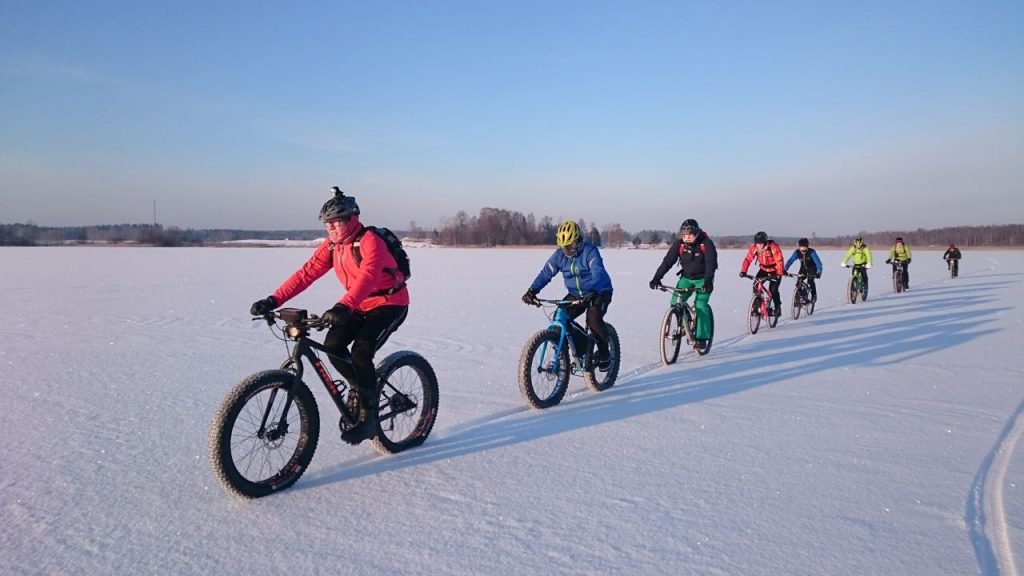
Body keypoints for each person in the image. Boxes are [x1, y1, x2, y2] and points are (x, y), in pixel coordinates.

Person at [249, 187, 409, 446]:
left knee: (361, 352)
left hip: (390, 303)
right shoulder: (332, 247)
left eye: (336, 222)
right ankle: (361, 387)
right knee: (332, 346)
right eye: (327, 224)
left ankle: (368, 419)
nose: (331, 228)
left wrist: (343, 306)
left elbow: (368, 278)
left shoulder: (370, 241)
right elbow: (306, 274)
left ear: (352, 219)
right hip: (358, 304)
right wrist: (273, 300)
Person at [522, 220, 614, 370]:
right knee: (560, 317)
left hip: (600, 291)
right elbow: (546, 273)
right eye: (563, 246)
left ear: (578, 240)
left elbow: (598, 272)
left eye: (570, 245)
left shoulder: (589, 251)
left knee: (593, 319)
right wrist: (532, 290)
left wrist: (593, 291)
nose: (567, 250)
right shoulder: (559, 256)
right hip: (576, 294)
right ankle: (570, 353)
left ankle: (605, 354)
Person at [648, 218, 718, 351]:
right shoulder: (679, 245)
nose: (687, 238)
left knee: (700, 305)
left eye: (690, 235)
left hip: (703, 279)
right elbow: (667, 262)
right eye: (684, 235)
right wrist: (657, 278)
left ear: (696, 233)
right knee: (675, 302)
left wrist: (708, 281)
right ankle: (683, 324)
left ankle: (702, 338)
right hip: (686, 278)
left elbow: (711, 263)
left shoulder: (706, 243)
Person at [739, 231, 785, 316]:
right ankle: (756, 307)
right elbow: (748, 259)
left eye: (761, 243)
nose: (759, 245)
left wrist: (779, 273)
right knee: (756, 285)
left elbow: (779, 260)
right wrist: (743, 271)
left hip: (775, 270)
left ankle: (777, 307)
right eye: (757, 243)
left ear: (765, 242)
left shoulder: (773, 247)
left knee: (773, 290)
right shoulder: (754, 248)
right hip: (763, 269)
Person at [784, 237, 823, 302]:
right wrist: (785, 269)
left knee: (810, 281)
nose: (803, 250)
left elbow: (818, 263)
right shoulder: (797, 252)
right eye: (801, 248)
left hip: (812, 268)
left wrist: (819, 272)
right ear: (799, 247)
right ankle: (801, 297)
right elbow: (790, 261)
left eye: (804, 248)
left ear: (807, 247)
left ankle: (814, 295)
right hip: (803, 268)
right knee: (798, 282)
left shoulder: (811, 252)